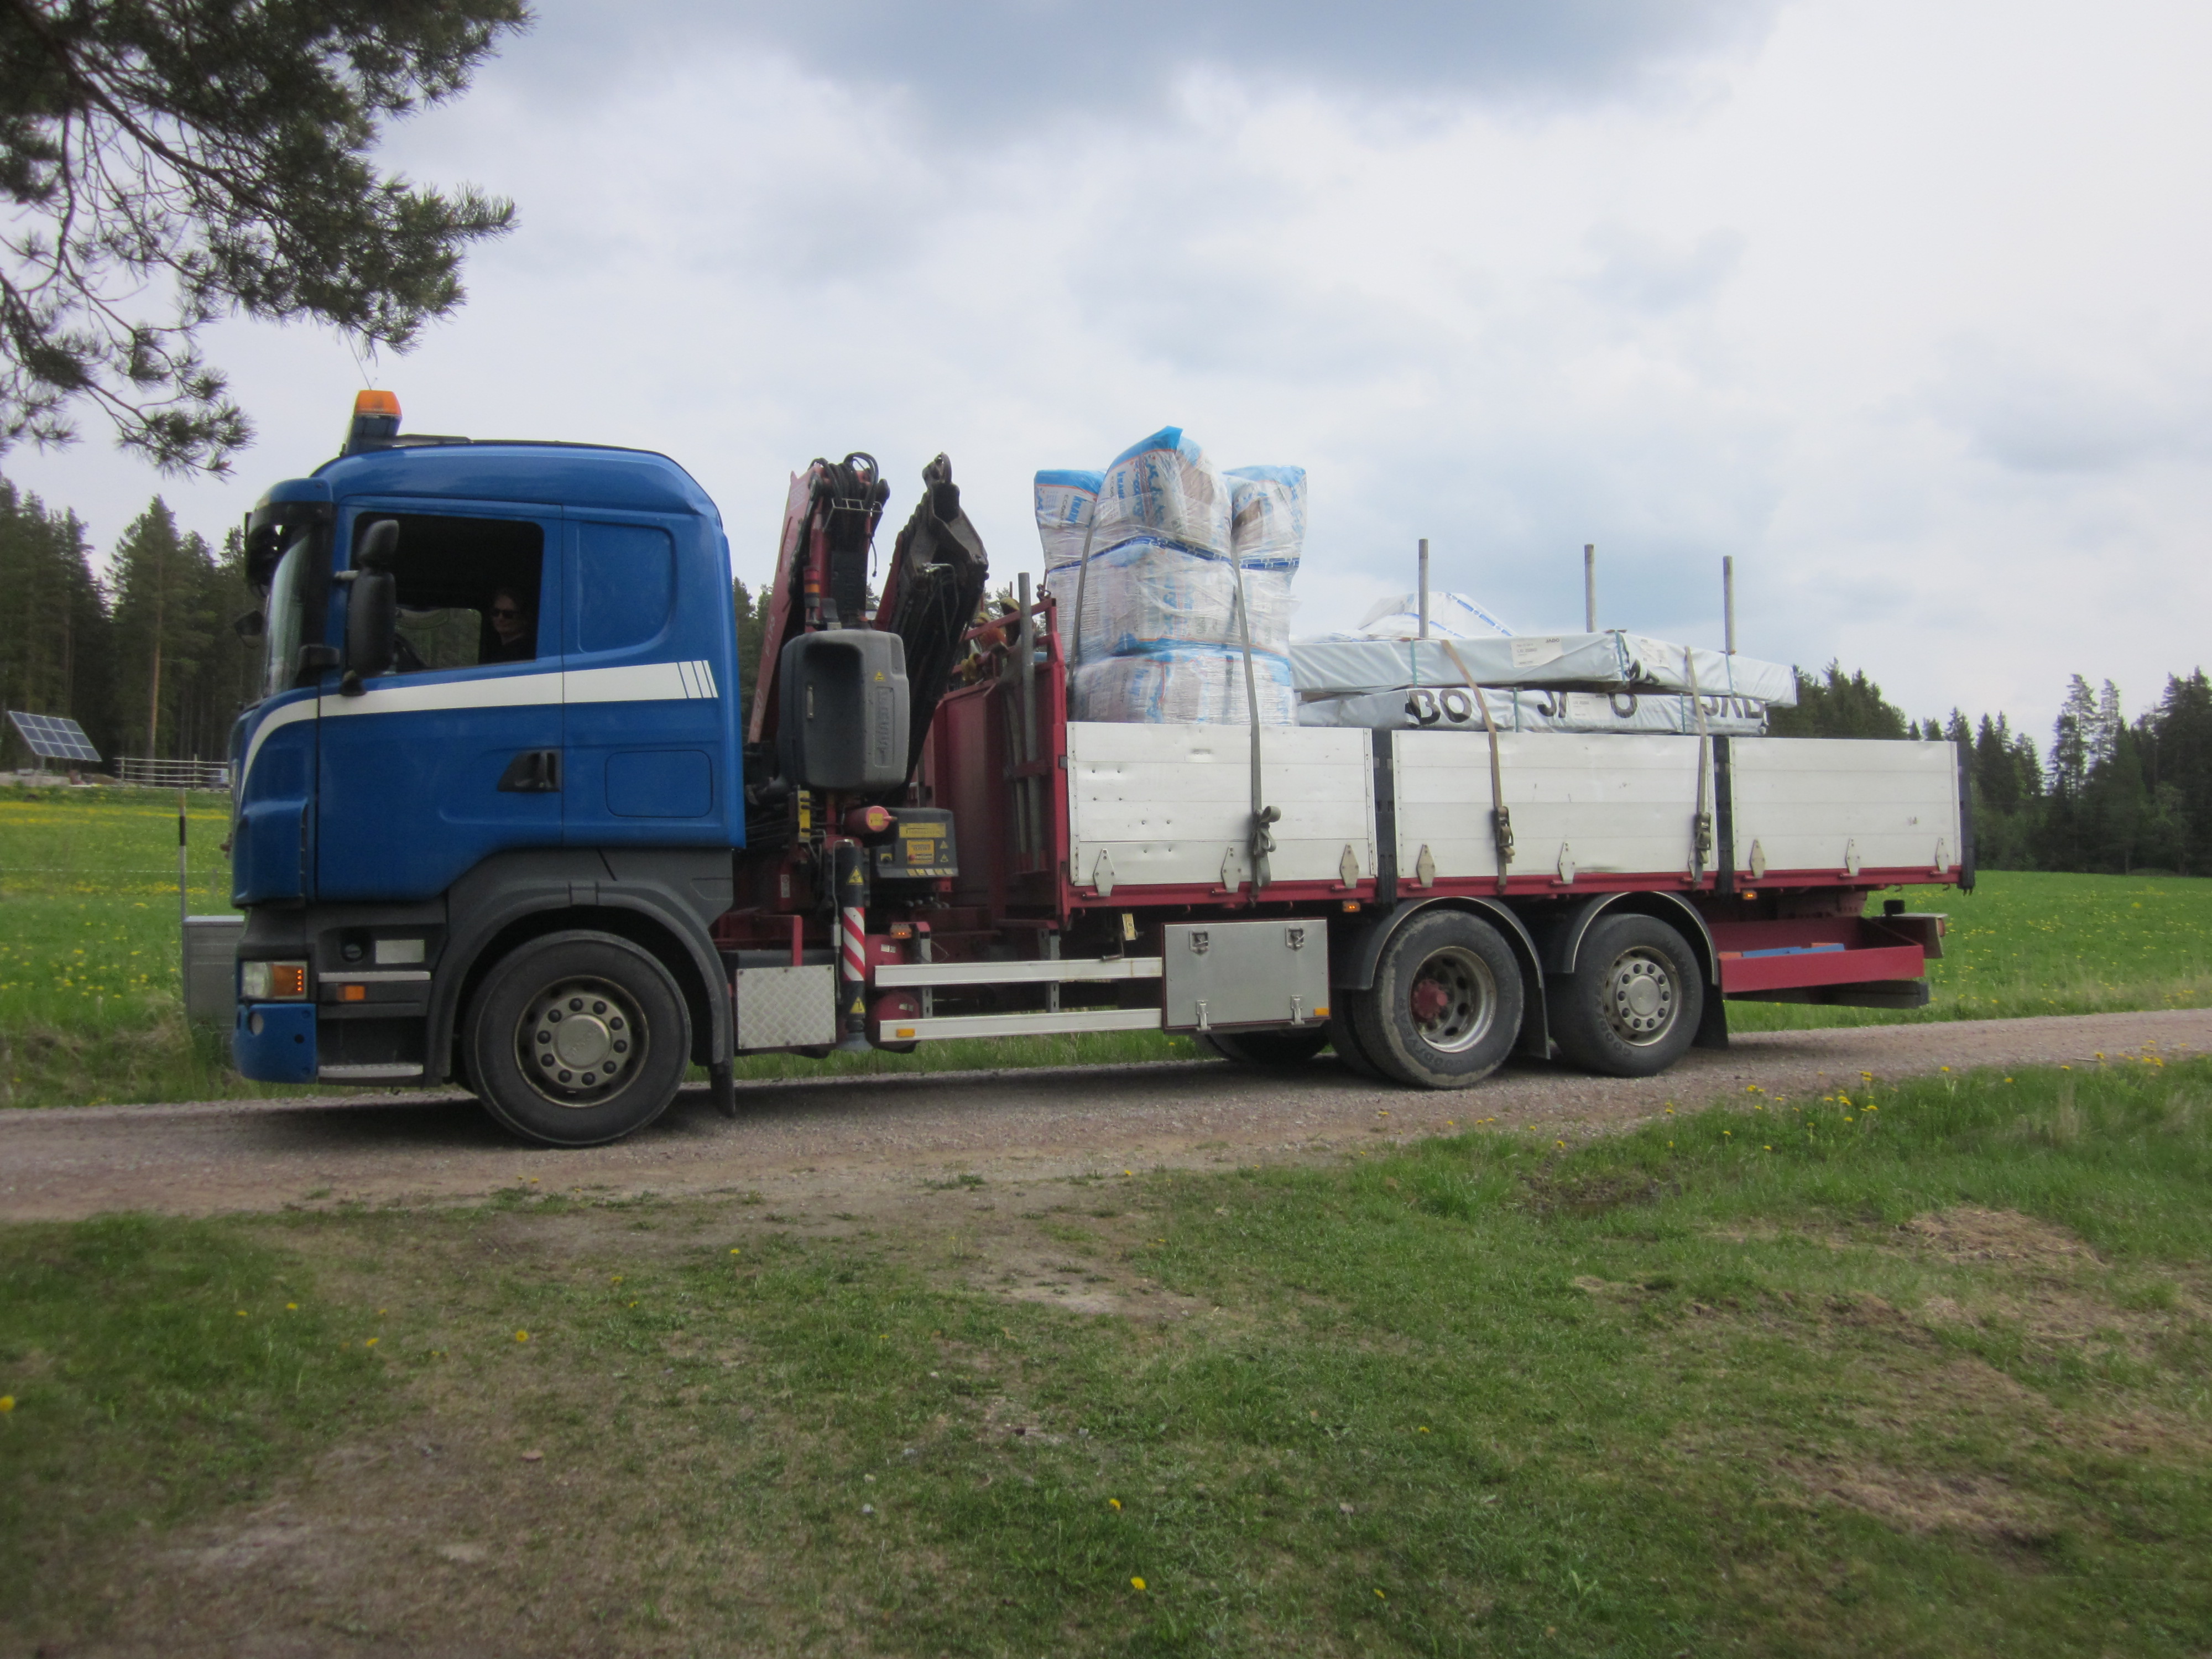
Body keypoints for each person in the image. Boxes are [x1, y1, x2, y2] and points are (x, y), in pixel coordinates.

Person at [484, 587, 535, 662]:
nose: (500, 618)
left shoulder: (523, 653)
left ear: (523, 618)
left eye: (508, 614)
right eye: (496, 612)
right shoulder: (501, 652)